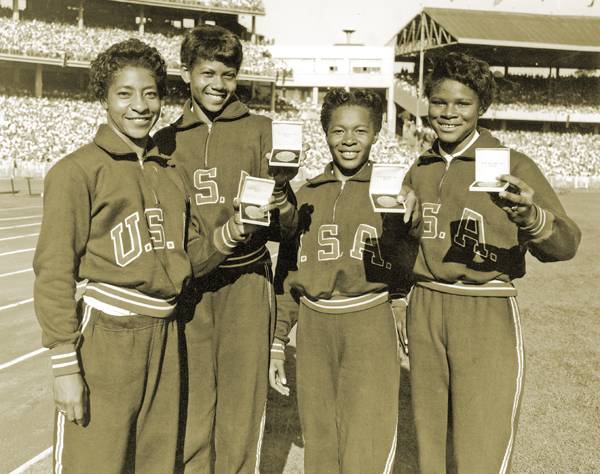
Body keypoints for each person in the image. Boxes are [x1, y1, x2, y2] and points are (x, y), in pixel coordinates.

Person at [33, 38, 269, 474]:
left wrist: (235, 230)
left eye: (150, 94)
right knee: (95, 463)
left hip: (167, 335)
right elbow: (53, 272)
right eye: (124, 94)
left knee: (157, 463)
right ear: (103, 97)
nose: (140, 106)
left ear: (163, 98)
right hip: (106, 336)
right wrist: (65, 365)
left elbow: (190, 258)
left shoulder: (170, 171)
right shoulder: (76, 170)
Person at [403, 52, 582, 474]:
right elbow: (401, 246)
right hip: (425, 305)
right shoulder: (419, 168)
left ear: (482, 107)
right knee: (431, 446)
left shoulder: (512, 164)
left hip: (485, 307)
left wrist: (531, 217)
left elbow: (567, 243)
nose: (448, 113)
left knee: (481, 444)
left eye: (462, 103)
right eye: (438, 101)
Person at [153, 25, 302, 473]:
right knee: (194, 410)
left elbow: (288, 228)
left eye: (229, 75)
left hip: (245, 283)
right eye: (208, 73)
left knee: (240, 411)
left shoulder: (261, 130)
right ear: (186, 73)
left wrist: (280, 203)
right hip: (192, 288)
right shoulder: (166, 140)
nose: (218, 85)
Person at [268, 88, 420, 474]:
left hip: (367, 320)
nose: (349, 140)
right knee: (321, 441)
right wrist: (277, 339)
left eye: (360, 131)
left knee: (366, 440)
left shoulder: (392, 192)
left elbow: (409, 259)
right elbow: (288, 277)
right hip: (315, 326)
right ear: (325, 133)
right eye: (338, 131)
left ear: (376, 132)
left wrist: (400, 299)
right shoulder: (306, 194)